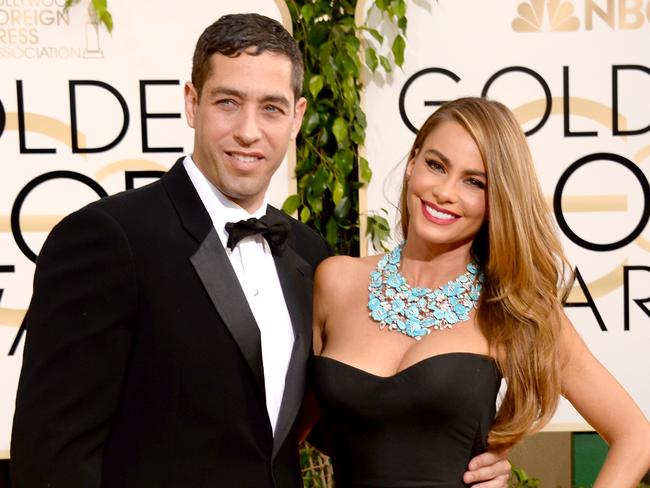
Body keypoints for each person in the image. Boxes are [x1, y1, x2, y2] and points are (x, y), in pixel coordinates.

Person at [9, 14, 510, 488]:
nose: (248, 131)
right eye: (228, 102)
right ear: (192, 102)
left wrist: (470, 462)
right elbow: (52, 455)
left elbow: (348, 417)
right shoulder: (109, 239)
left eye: (270, 107)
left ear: (297, 117)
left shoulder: (310, 256)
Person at [310, 97, 650, 487]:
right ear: (412, 163)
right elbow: (300, 427)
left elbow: (635, 436)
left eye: (474, 182)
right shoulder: (336, 281)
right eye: (436, 165)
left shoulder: (510, 308)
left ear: (496, 200)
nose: (444, 192)